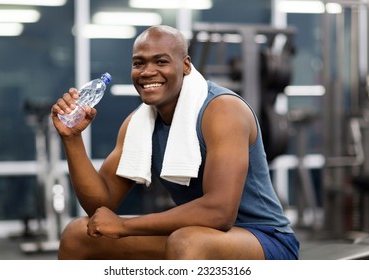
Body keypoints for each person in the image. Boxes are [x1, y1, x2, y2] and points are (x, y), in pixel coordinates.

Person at [50, 25, 299, 260]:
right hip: (197, 234)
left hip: (265, 240)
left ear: (186, 65)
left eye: (161, 61)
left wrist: (125, 225)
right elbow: (100, 207)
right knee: (78, 234)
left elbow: (219, 212)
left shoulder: (223, 110)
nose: (147, 72)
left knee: (187, 242)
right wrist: (72, 139)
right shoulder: (138, 124)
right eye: (139, 63)